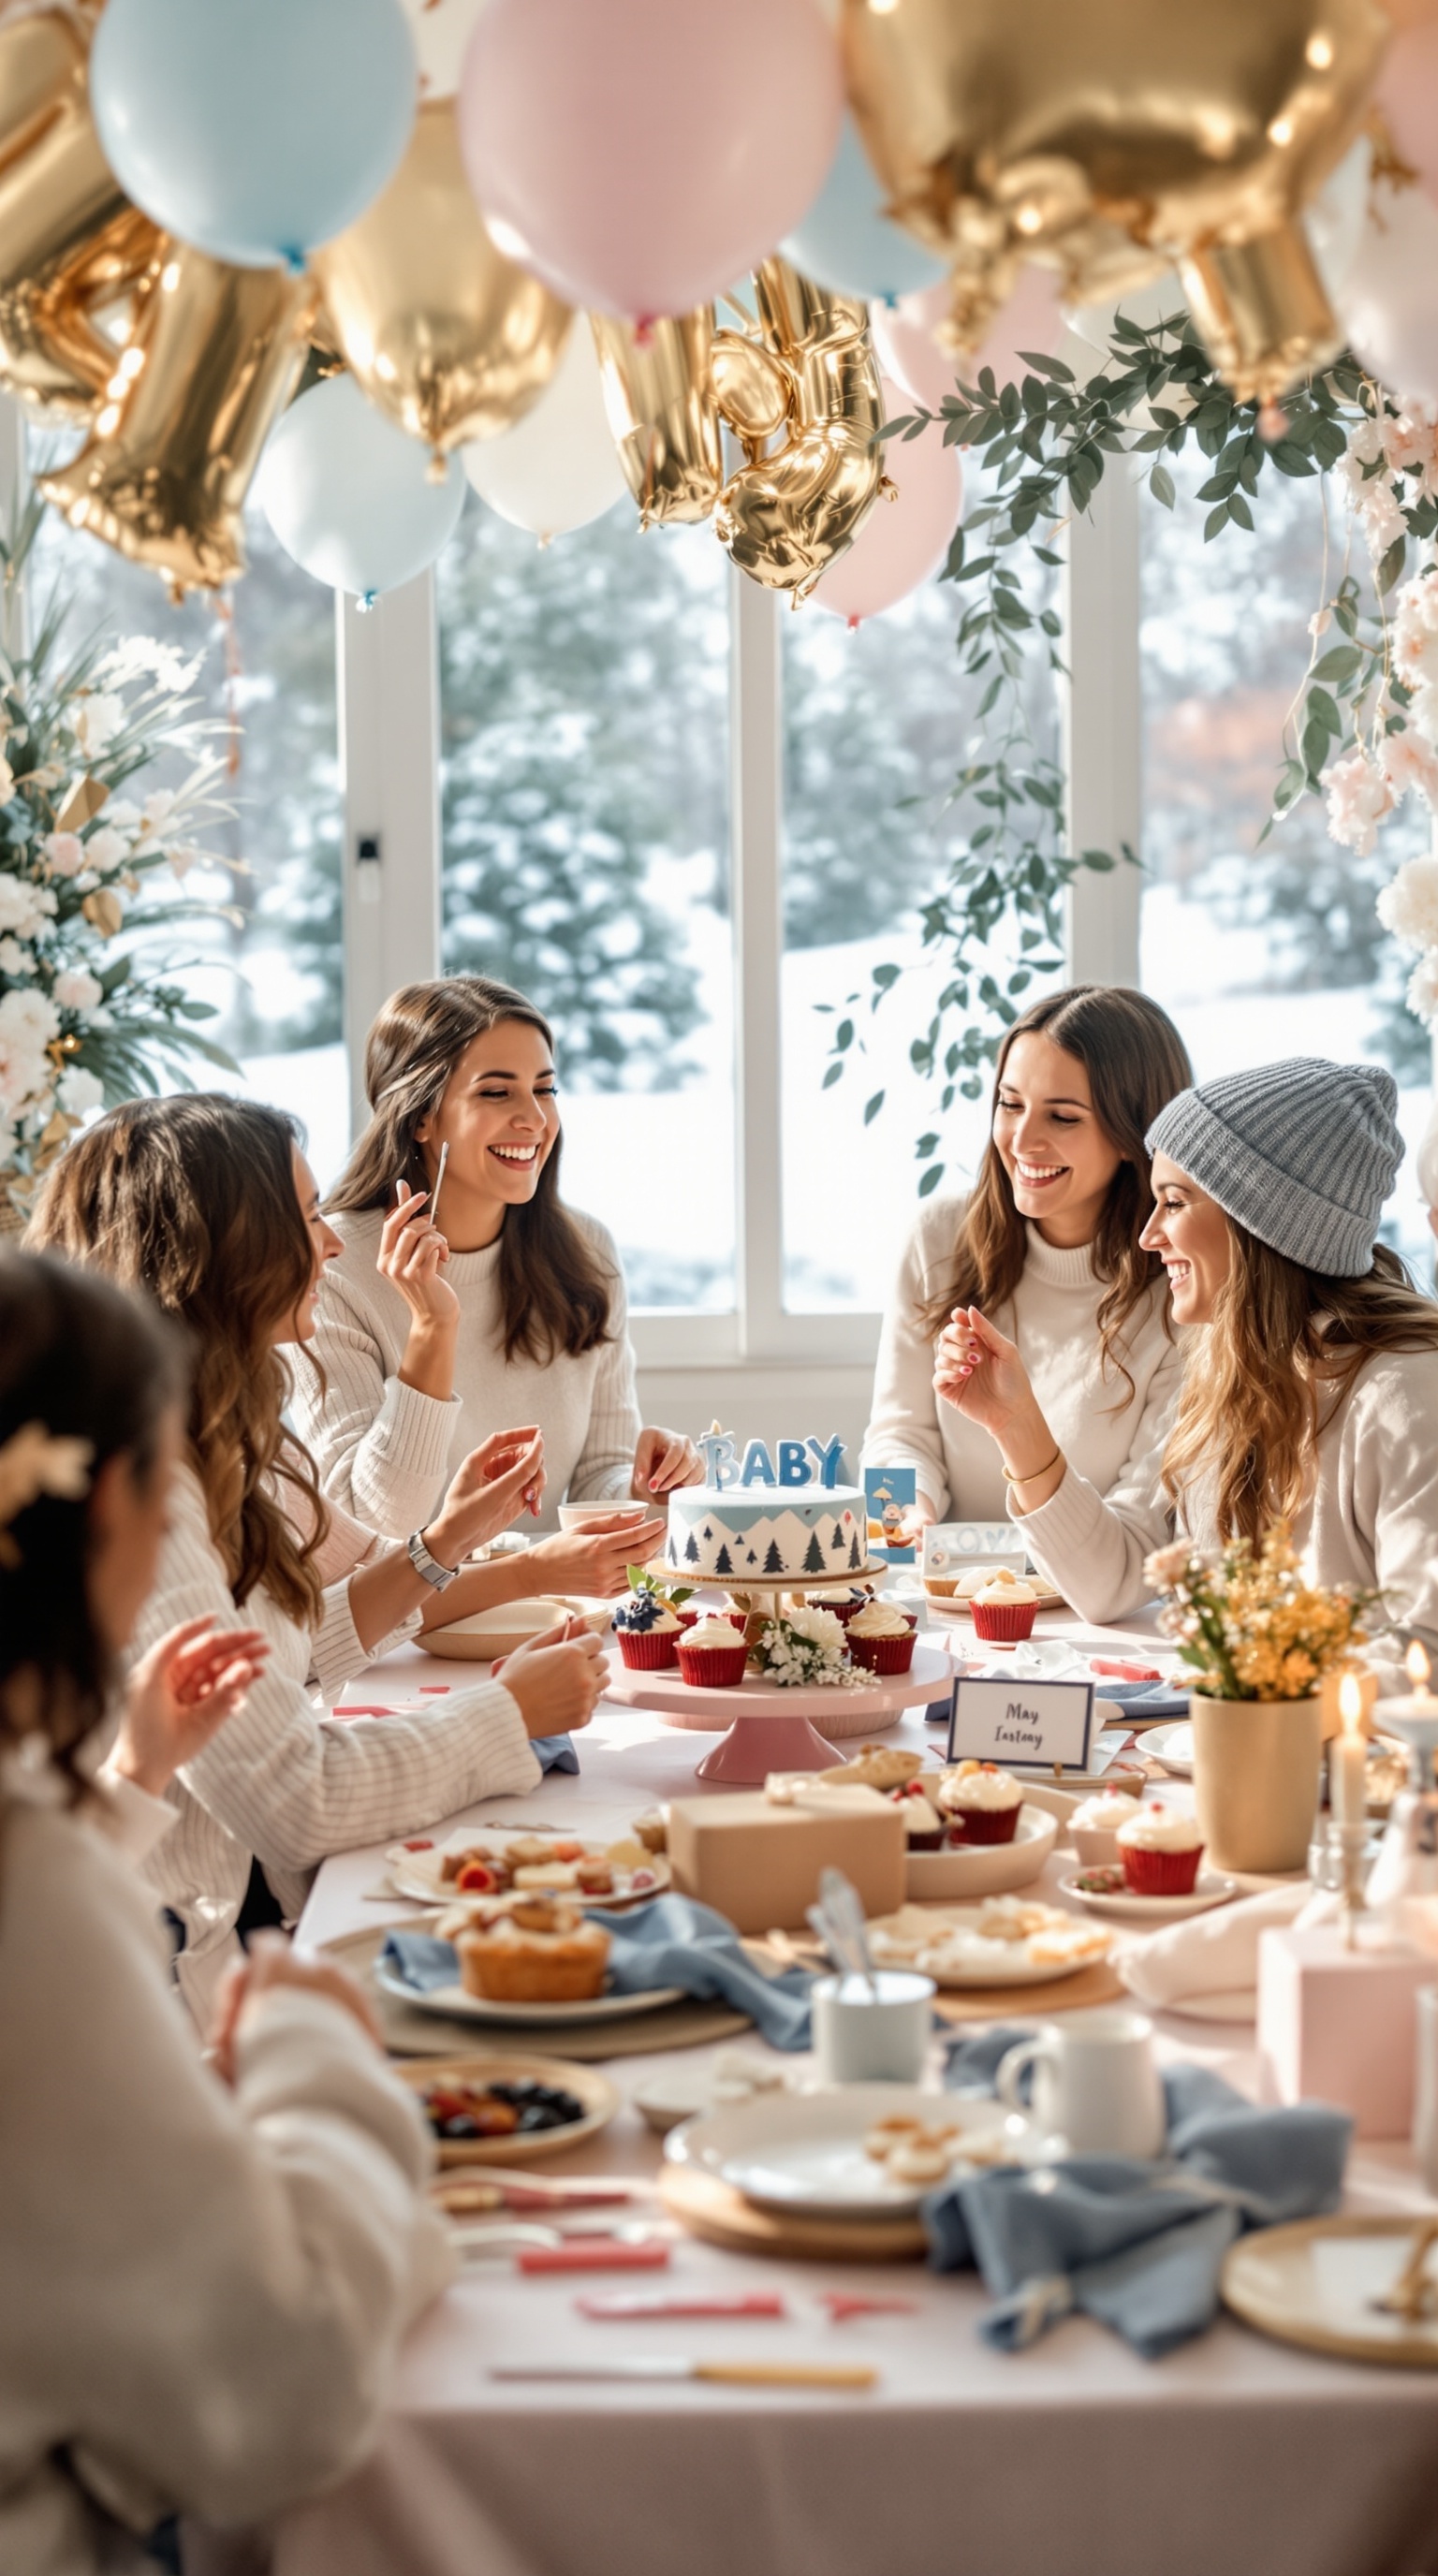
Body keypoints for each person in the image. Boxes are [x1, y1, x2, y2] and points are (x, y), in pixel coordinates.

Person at [0, 1249, 452, 2573]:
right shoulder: (35, 1895)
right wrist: (316, 2061)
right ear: (116, 1511)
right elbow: (281, 2396)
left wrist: (131, 1785)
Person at [28, 1093, 606, 2024]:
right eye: (304, 1220)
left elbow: (280, 1651)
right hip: (168, 1985)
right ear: (222, 1256)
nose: (331, 1246)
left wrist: (445, 1546)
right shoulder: (154, 1499)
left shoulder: (204, 1442)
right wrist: (507, 1715)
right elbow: (298, 1796)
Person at [935, 1057, 1438, 1657]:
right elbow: (1110, 1582)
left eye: (1174, 1203)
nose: (1150, 1236)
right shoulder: (1229, 1371)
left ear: (1264, 1225)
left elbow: (1426, 1655)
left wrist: (1255, 1702)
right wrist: (1014, 1424)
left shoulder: (1405, 1394)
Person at [295, 974, 703, 1587]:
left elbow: (598, 1479)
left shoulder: (586, 1253)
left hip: (548, 1617)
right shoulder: (333, 1266)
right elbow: (367, 1529)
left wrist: (647, 1491)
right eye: (496, 1093)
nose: (535, 1119)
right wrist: (433, 1330)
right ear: (422, 1118)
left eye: (546, 1088)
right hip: (395, 1641)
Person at [862, 985, 1194, 1541]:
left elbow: (1139, 1530)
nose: (1022, 1140)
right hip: (950, 1590)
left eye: (1063, 1117)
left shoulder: (1183, 1287)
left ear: (1133, 1134)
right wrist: (902, 1519)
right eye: (1010, 1104)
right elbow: (899, 1433)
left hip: (1095, 1611)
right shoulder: (939, 1238)